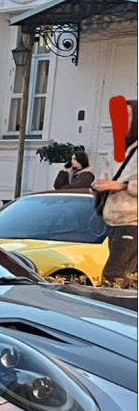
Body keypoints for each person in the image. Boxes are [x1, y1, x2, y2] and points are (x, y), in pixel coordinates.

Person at [93, 99, 137, 286]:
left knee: (113, 275)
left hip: (132, 222)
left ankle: (109, 313)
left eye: (127, 116)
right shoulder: (116, 150)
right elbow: (104, 177)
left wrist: (122, 185)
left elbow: (118, 183)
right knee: (128, 278)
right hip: (113, 222)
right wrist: (97, 185)